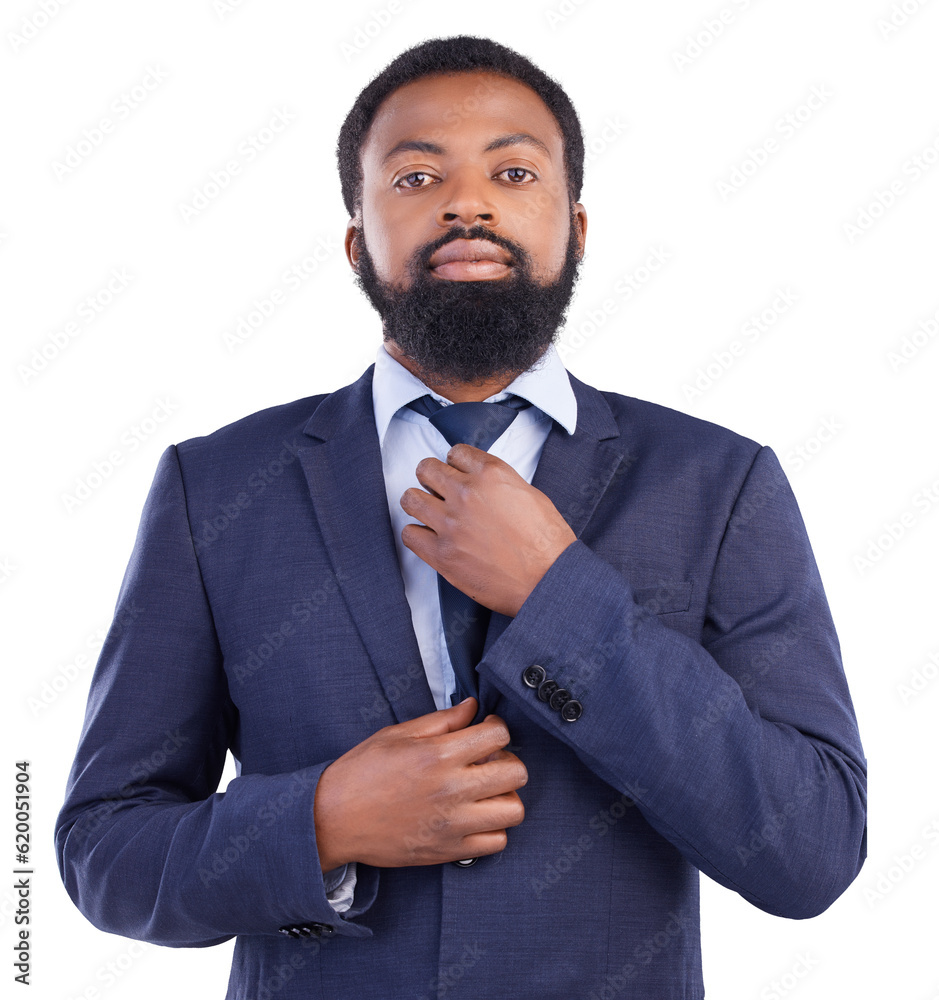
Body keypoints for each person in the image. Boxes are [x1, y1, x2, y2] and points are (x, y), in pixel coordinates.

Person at [55, 35, 867, 1000]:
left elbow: (811, 848)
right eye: (416, 176)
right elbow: (104, 849)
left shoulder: (718, 483)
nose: (467, 203)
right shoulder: (216, 484)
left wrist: (557, 597)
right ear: (358, 239)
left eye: (512, 171)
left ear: (573, 225)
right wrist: (319, 823)